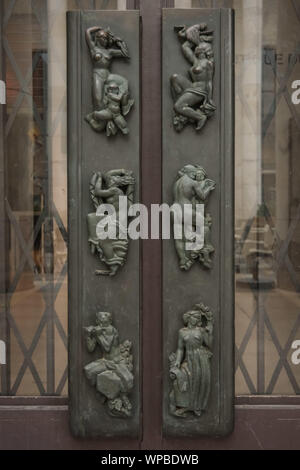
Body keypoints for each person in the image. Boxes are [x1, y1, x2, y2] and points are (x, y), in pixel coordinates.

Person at [169, 305, 213, 418]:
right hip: (188, 358)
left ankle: (197, 406)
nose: (197, 320)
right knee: (186, 381)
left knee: (199, 382)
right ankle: (186, 405)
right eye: (195, 318)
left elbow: (209, 344)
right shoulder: (182, 332)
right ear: (189, 318)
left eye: (198, 318)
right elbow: (180, 348)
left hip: (200, 359)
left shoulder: (201, 331)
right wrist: (178, 361)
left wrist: (210, 328)